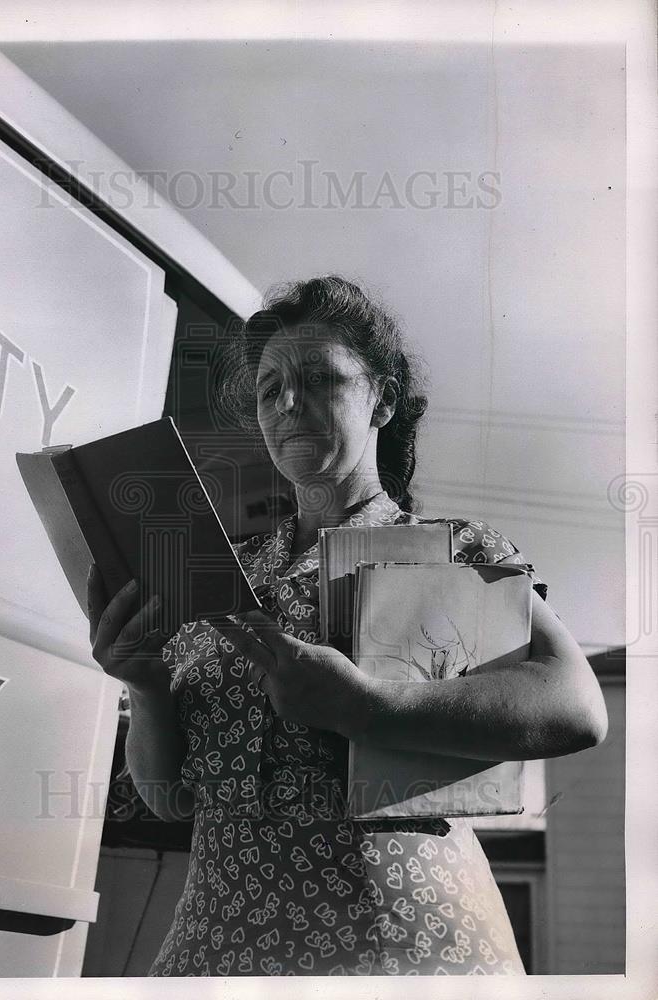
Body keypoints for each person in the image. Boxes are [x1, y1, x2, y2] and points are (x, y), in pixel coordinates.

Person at [88, 276, 608, 976]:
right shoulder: (213, 575)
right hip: (220, 948)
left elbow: (574, 704)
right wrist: (145, 686)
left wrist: (368, 706)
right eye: (269, 389)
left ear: (383, 401)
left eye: (318, 380)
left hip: (404, 947)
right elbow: (166, 799)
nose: (287, 404)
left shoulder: (446, 546)